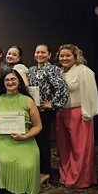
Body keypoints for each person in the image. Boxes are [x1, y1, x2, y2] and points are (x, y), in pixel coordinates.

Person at [0, 69, 42, 194]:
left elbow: (38, 126)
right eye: (7, 80)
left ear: (19, 82)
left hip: (25, 139)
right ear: (3, 83)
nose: (10, 82)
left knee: (28, 163)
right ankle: (12, 192)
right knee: (4, 160)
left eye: (13, 79)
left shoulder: (28, 100)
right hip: (1, 139)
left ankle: (23, 190)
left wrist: (25, 136)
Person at [55, 44, 98, 188]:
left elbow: (90, 94)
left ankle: (79, 179)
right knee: (63, 147)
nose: (64, 58)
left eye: (68, 55)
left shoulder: (84, 71)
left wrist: (87, 114)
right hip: (61, 113)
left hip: (79, 114)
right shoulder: (59, 72)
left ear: (75, 57)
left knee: (80, 149)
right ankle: (65, 175)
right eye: (62, 56)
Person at [28, 44, 69, 185]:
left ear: (49, 55)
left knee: (43, 141)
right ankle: (36, 169)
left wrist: (52, 104)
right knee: (34, 141)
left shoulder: (53, 69)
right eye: (37, 52)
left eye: (43, 52)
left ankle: (45, 172)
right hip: (33, 110)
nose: (40, 54)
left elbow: (62, 88)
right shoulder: (32, 70)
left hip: (45, 112)